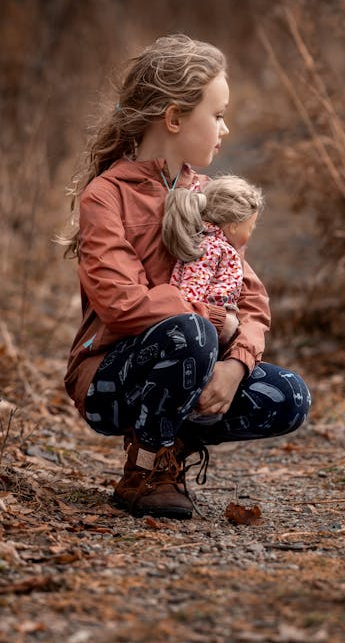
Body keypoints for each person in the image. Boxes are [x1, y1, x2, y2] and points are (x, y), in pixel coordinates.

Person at [63, 33, 310, 520]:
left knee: (290, 396)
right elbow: (123, 304)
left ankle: (170, 437)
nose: (225, 127)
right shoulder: (105, 197)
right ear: (174, 118)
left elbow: (253, 304)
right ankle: (147, 469)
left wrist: (235, 364)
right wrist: (216, 321)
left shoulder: (212, 197)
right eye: (216, 115)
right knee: (189, 332)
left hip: (195, 362)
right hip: (111, 379)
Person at [163, 175, 264, 313]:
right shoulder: (211, 248)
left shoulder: (218, 247)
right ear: (234, 227)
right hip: (199, 327)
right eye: (250, 227)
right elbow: (190, 293)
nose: (250, 233)